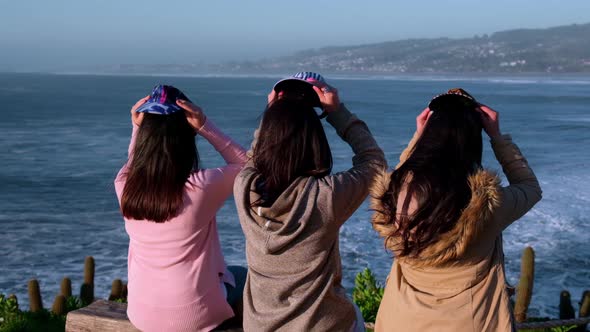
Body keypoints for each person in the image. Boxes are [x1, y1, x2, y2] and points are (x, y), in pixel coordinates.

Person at [370, 88, 542, 332]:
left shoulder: (396, 195)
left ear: (429, 133)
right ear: (473, 140)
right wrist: (497, 137)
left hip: (401, 320)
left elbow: (407, 176)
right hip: (471, 324)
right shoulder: (487, 207)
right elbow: (530, 188)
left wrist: (419, 138)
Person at [234, 72, 387, 331]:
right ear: (315, 142)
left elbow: (253, 156)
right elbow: (374, 162)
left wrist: (274, 113)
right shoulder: (326, 196)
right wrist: (338, 113)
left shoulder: (244, 187)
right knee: (356, 316)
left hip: (259, 325)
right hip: (321, 326)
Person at [114, 85, 248, 332]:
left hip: (141, 314)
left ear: (145, 135)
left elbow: (134, 164)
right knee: (242, 275)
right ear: (187, 135)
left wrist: (137, 128)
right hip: (195, 316)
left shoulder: (124, 186)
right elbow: (250, 169)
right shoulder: (201, 187)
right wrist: (205, 125)